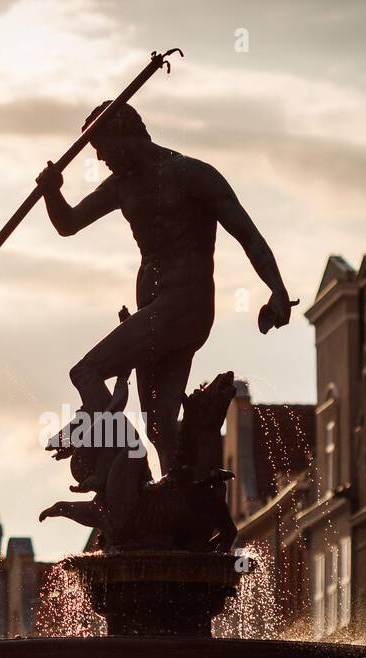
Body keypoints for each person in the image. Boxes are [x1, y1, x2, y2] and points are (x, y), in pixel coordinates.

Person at [37, 101, 292, 472]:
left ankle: (111, 442)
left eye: (105, 150)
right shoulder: (123, 185)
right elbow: (70, 223)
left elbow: (247, 234)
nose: (103, 160)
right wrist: (50, 192)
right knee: (159, 427)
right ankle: (178, 511)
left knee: (86, 372)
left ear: (126, 137)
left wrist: (277, 289)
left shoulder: (190, 174)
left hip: (185, 302)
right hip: (155, 309)